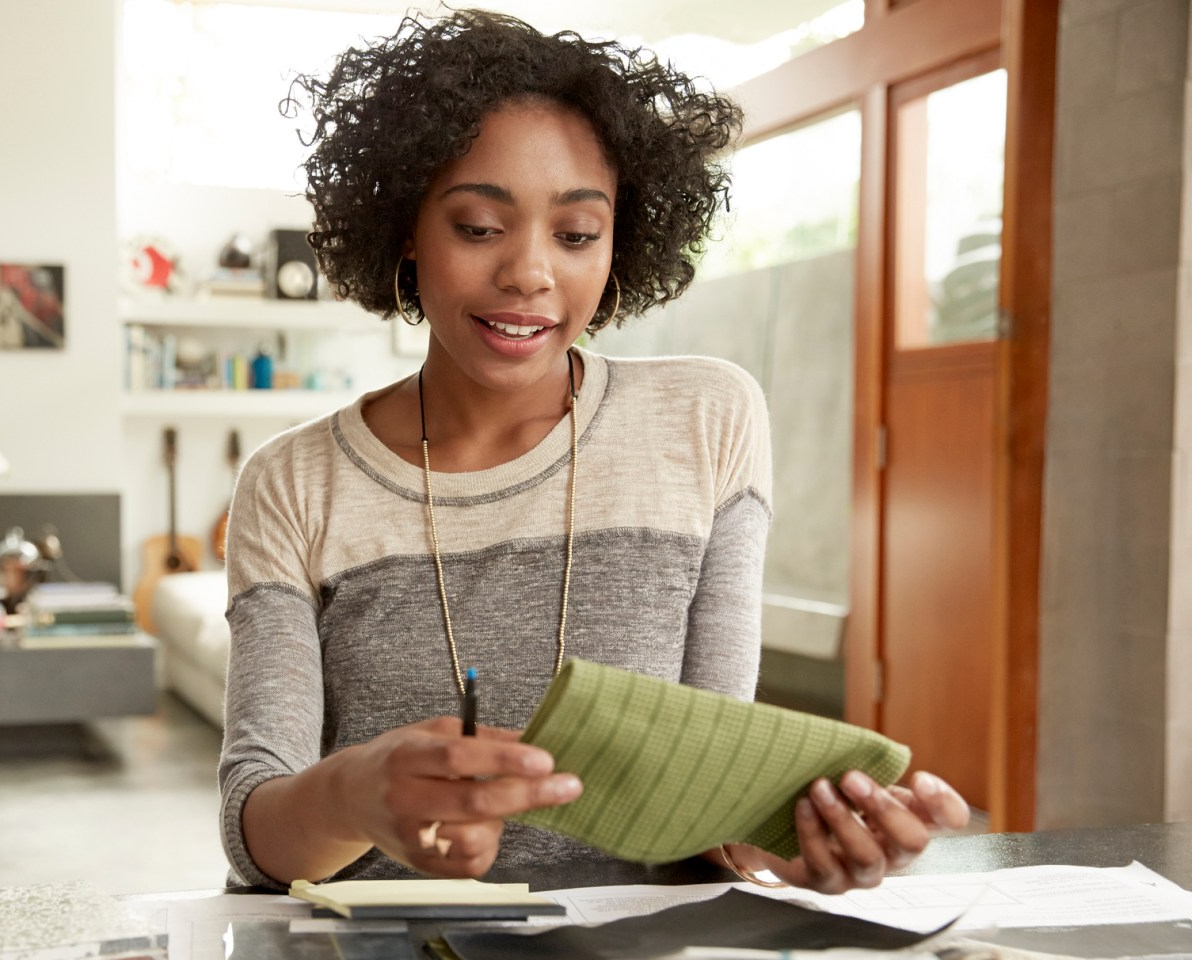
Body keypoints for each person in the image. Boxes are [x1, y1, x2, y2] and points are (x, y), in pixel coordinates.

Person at [217, 9, 969, 893]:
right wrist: (353, 794)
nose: (532, 273)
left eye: (576, 235)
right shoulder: (294, 483)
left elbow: (711, 798)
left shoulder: (705, 418)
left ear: (619, 245)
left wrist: (801, 849)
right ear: (405, 234)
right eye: (476, 226)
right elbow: (255, 833)